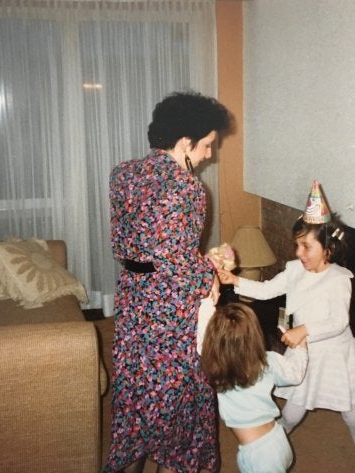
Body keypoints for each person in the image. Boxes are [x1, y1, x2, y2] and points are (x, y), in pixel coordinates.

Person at [106, 91, 232, 473]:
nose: (209, 154)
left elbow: (139, 244)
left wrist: (199, 263)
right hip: (168, 310)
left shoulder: (122, 173)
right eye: (208, 145)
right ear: (185, 142)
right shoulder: (188, 188)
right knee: (180, 407)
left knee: (135, 398)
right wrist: (210, 273)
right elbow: (176, 261)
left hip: (132, 296)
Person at [217, 181, 355, 473]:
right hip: (304, 355)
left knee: (353, 414)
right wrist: (236, 281)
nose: (299, 252)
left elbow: (338, 321)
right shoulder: (294, 270)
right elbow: (267, 289)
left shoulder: (339, 278)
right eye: (297, 245)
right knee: (292, 412)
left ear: (329, 248)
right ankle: (271, 447)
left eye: (306, 246)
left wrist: (304, 329)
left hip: (334, 355)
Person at [200, 303, 308, 473]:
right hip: (277, 439)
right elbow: (296, 374)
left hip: (258, 455)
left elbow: (202, 334)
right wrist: (301, 345)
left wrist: (209, 299)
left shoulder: (215, 366)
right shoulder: (267, 361)